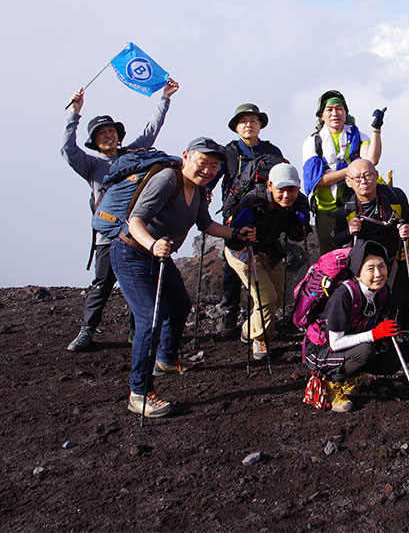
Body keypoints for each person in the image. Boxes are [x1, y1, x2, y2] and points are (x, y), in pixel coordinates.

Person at [111, 137, 256, 418]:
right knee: (150, 318)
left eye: (215, 166)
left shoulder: (200, 190)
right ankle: (139, 393)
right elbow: (136, 220)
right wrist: (152, 244)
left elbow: (205, 224)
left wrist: (235, 234)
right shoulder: (167, 179)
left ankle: (165, 358)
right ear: (186, 156)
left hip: (158, 257)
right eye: (203, 163)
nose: (208, 170)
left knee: (179, 306)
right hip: (131, 253)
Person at [61, 80, 179, 352]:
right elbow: (67, 150)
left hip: (138, 233)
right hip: (108, 236)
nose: (108, 135)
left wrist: (165, 98)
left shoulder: (134, 155)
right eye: (102, 133)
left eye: (111, 130)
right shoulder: (91, 165)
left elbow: (151, 132)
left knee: (143, 282)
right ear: (94, 141)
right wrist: (74, 113)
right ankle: (87, 331)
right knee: (102, 284)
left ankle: (135, 331)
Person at [225, 162, 312, 360]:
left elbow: (297, 236)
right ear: (270, 185)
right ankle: (260, 338)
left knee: (278, 295)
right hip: (243, 252)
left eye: (292, 189)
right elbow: (230, 238)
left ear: (298, 186)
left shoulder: (299, 202)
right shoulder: (251, 201)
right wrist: (242, 229)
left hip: (269, 248)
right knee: (266, 298)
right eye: (281, 189)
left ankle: (249, 329)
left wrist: (302, 224)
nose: (287, 195)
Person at [304, 240, 401, 412]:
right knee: (365, 351)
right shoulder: (343, 296)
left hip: (351, 342)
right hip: (321, 348)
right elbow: (335, 343)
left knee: (391, 361)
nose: (378, 274)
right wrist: (375, 334)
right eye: (370, 268)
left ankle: (350, 374)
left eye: (382, 266)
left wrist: (386, 334)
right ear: (357, 273)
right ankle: (331, 384)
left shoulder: (382, 291)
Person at [215, 103, 285, 339]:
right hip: (235, 214)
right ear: (236, 127)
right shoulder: (228, 151)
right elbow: (215, 174)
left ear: (260, 124)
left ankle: (260, 313)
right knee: (233, 265)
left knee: (266, 258)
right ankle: (229, 315)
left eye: (253, 120)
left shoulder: (271, 150)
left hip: (267, 213)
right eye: (243, 121)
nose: (248, 125)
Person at [331, 158, 409, 326]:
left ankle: (398, 337)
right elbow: (336, 238)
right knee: (368, 304)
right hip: (365, 266)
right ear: (348, 182)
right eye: (357, 178)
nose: (363, 181)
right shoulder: (346, 209)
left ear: (376, 175)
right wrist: (349, 231)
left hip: (397, 260)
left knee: (399, 302)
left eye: (368, 175)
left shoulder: (395, 196)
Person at [302, 90, 384, 255]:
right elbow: (318, 180)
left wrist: (376, 130)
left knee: (363, 254)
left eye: (339, 108)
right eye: (329, 110)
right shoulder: (313, 142)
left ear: (346, 112)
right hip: (327, 210)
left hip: (358, 206)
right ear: (321, 115)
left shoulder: (359, 136)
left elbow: (371, 161)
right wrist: (353, 170)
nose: (335, 113)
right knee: (332, 259)